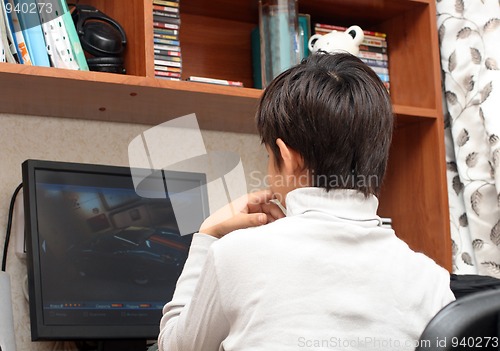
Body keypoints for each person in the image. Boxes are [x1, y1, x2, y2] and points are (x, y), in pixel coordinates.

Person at [157, 52, 455, 350]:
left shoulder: (233, 256)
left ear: (287, 157)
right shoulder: (433, 283)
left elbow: (175, 347)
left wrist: (208, 235)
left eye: (268, 158)